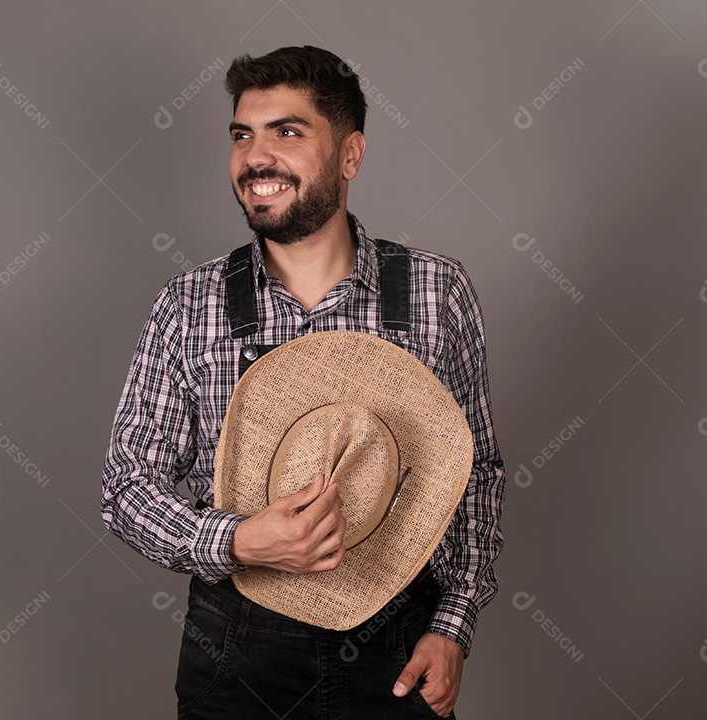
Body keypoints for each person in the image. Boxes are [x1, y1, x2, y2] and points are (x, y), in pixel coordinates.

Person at [100, 45, 505, 718]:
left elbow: (478, 474)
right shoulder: (191, 302)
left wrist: (451, 626)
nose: (256, 158)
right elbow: (125, 485)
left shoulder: (436, 292)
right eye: (242, 136)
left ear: (350, 155)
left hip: (398, 647)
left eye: (287, 133)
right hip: (238, 652)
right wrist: (232, 541)